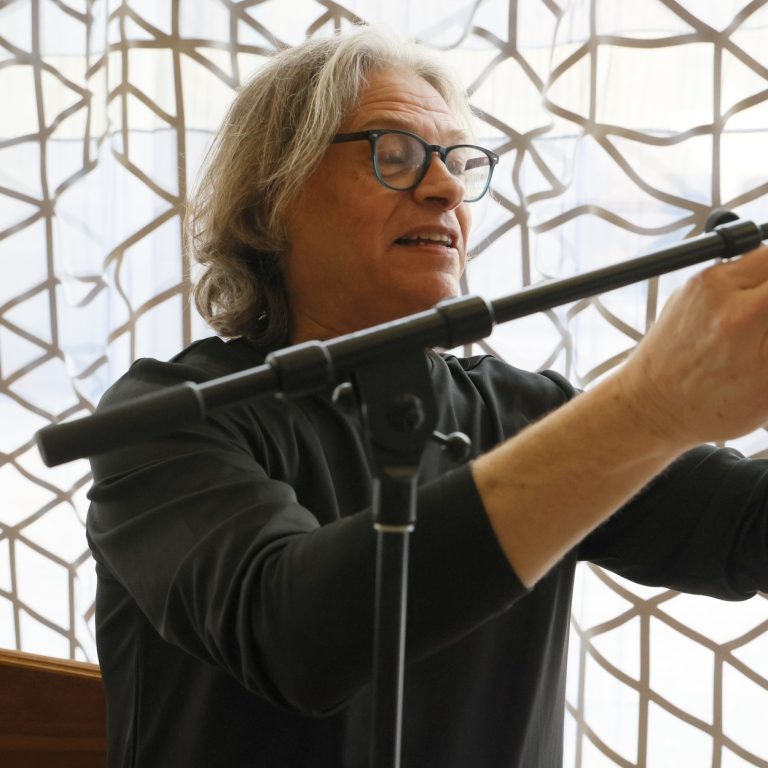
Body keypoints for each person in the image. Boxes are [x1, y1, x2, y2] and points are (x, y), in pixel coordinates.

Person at [86, 25, 768, 768]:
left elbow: (747, 533)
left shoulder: (525, 414)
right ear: (272, 196)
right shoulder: (165, 418)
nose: (445, 188)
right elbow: (296, 638)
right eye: (397, 155)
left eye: (459, 163)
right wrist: (645, 407)